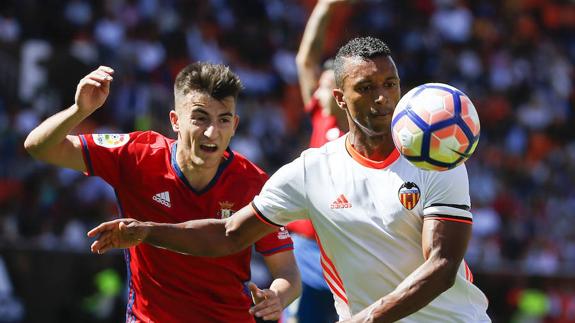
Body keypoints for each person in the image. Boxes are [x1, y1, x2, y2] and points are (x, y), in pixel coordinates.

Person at [87, 37, 491, 322]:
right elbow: (229, 235)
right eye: (365, 88)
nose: (382, 97)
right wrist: (147, 231)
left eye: (389, 84)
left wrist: (369, 318)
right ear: (339, 99)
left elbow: (441, 264)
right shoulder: (312, 170)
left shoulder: (438, 159)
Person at [24, 62, 301, 322]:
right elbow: (39, 147)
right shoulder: (136, 156)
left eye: (223, 120)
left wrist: (277, 296)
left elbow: (287, 272)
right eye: (200, 118)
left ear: (235, 126)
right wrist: (78, 111)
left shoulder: (254, 183)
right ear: (175, 120)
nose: (211, 132)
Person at [290, 0, 350, 322]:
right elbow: (305, 59)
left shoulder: (372, 138)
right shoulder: (322, 121)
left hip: (349, 254)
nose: (319, 91)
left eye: (327, 86)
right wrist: (325, 6)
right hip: (307, 248)